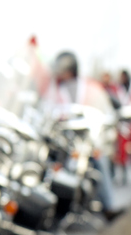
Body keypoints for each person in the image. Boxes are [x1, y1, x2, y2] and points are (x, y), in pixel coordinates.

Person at [39, 51, 122, 220]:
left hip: (87, 142)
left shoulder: (91, 88)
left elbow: (104, 111)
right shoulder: (54, 91)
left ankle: (108, 207)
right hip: (62, 142)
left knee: (100, 162)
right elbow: (45, 111)